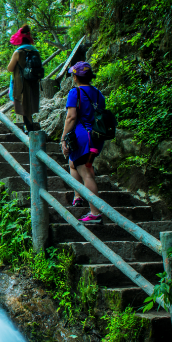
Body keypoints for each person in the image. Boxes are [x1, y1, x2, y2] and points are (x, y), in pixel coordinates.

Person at [60, 61, 105, 224]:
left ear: (75, 77)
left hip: (81, 137)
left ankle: (95, 212)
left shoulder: (75, 92)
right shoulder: (99, 94)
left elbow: (71, 117)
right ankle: (78, 196)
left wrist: (64, 137)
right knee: (73, 163)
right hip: (96, 137)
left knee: (87, 173)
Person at [7, 24, 42, 132]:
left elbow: (10, 68)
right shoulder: (36, 52)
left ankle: (29, 130)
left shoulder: (18, 52)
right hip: (33, 83)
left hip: (22, 84)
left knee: (24, 108)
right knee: (29, 108)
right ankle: (29, 128)